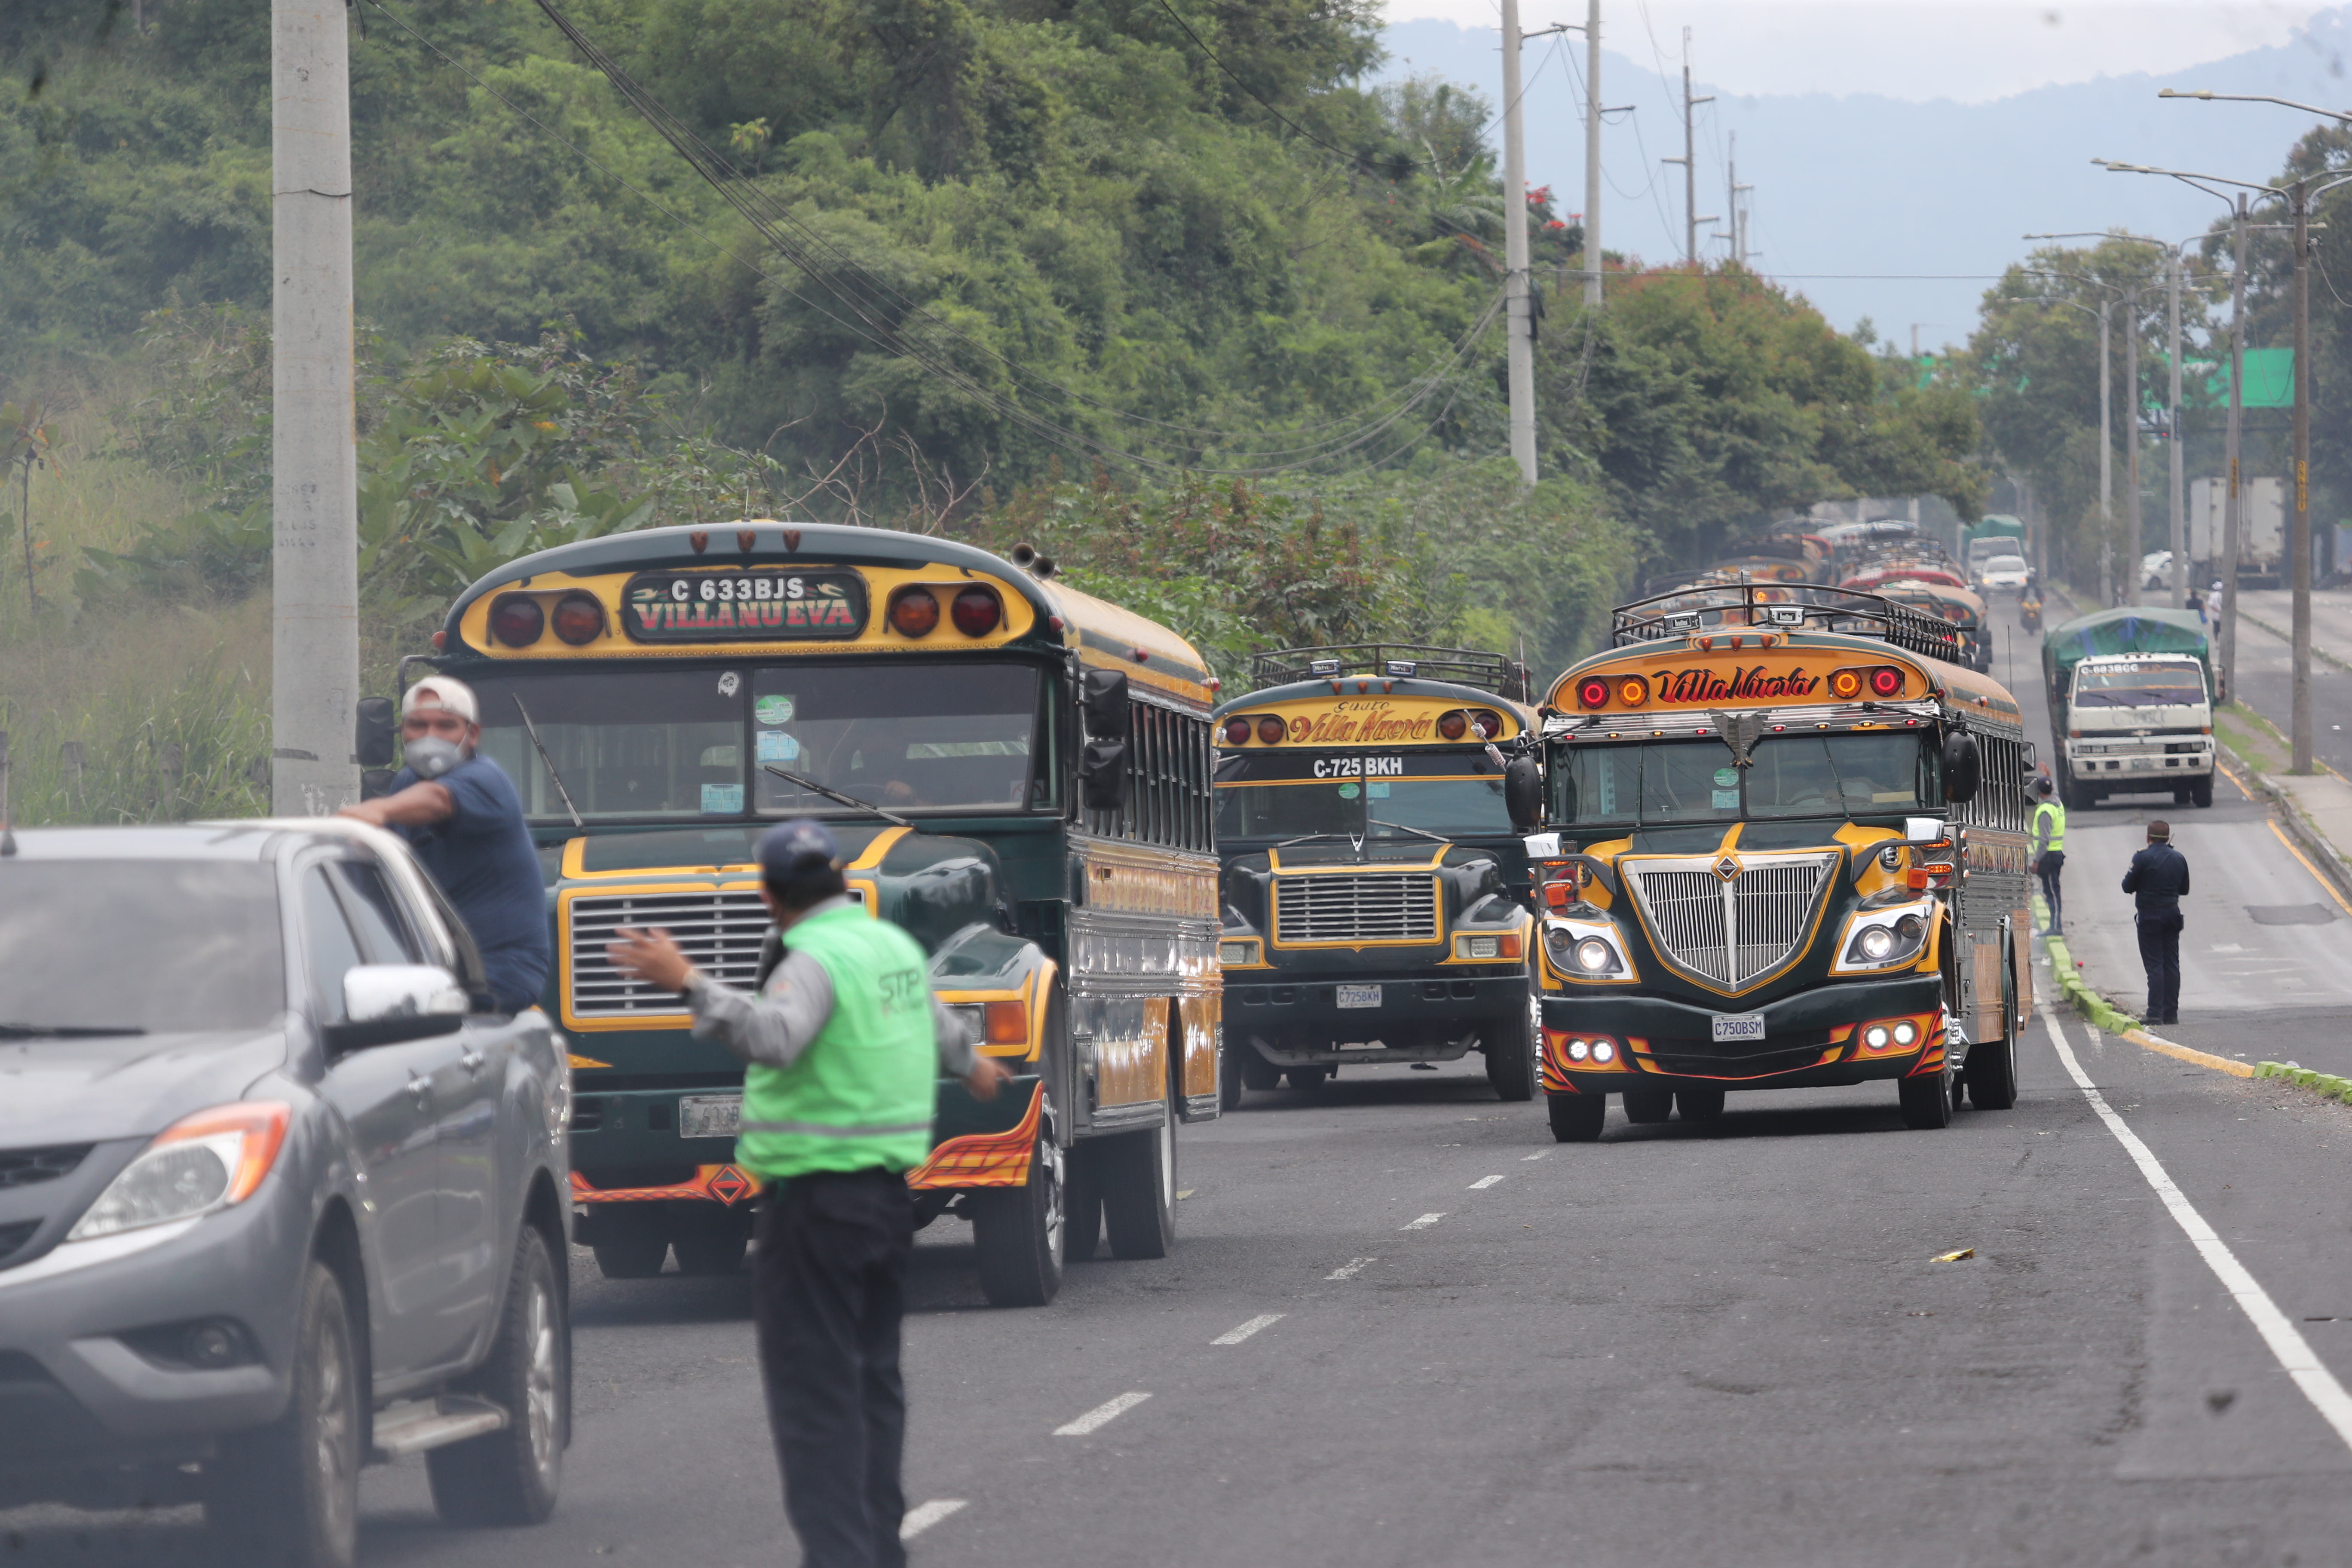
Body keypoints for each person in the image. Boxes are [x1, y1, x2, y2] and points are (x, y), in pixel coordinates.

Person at [605, 821, 1009, 1568]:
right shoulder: (892, 947)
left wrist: (689, 982)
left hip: (815, 1210)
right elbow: (943, 1027)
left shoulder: (811, 957)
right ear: (841, 876)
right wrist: (977, 1067)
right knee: (873, 1383)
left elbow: (775, 1035)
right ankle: (881, 1549)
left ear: (769, 894)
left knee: (814, 1396)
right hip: (889, 1204)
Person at [339, 677, 550, 1013]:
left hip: (497, 972)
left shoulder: (485, 779)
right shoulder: (407, 782)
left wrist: (378, 808)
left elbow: (439, 799)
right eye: (418, 725)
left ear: (473, 735)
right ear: (402, 733)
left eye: (446, 726)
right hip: (437, 965)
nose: (430, 737)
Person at [2122, 818, 2191, 1026]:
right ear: (2168, 838)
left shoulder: (2142, 857)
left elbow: (2127, 886)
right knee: (2171, 964)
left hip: (2150, 916)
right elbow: (2185, 889)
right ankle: (2171, 1013)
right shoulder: (2179, 858)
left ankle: (2154, 1012)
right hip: (2172, 914)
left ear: (2148, 837)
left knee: (2155, 965)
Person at [2031, 774, 2066, 935]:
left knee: (2051, 891)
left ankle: (2056, 926)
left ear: (2038, 792)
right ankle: (2055, 925)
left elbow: (2044, 839)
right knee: (2053, 890)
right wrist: (2048, 776)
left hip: (2048, 856)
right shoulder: (2058, 805)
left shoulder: (2045, 810)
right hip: (2055, 853)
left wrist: (2036, 861)